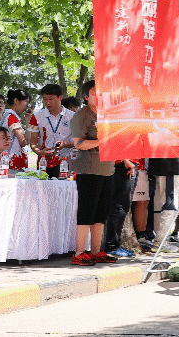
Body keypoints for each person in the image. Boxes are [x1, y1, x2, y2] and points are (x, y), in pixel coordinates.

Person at [67, 80, 117, 265]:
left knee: (101, 214)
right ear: (86, 96)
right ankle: (79, 252)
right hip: (88, 169)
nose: (99, 96)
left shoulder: (108, 115)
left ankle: (96, 251)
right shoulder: (81, 115)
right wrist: (102, 141)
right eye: (95, 93)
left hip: (107, 169)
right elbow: (78, 143)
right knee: (87, 212)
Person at [30, 84, 73, 177]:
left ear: (60, 97)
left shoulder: (73, 116)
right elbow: (33, 143)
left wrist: (65, 145)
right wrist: (40, 152)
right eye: (45, 99)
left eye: (51, 99)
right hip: (44, 163)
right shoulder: (36, 116)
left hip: (66, 163)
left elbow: (80, 141)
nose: (48, 102)